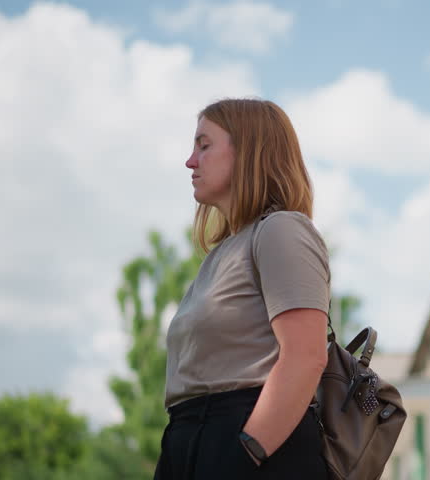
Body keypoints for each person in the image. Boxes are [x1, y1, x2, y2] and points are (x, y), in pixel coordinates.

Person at [153, 98, 331, 479]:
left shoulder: (281, 230)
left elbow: (306, 356)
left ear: (249, 151)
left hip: (252, 444)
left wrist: (246, 452)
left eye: (204, 145)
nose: (190, 161)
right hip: (191, 440)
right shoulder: (222, 254)